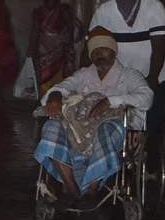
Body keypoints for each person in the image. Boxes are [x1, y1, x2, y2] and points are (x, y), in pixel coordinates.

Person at [33, 29, 153, 209]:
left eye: (104, 49)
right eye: (95, 51)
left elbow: (146, 98)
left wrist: (111, 101)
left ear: (114, 51)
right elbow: (61, 88)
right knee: (51, 126)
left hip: (113, 125)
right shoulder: (83, 74)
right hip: (80, 127)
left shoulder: (129, 75)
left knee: (105, 130)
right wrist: (55, 95)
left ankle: (91, 191)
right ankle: (74, 192)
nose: (99, 54)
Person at [89, 0, 165, 168]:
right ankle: (112, 165)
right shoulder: (105, 12)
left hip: (151, 76)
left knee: (151, 123)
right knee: (111, 121)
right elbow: (92, 46)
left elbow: (158, 47)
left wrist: (151, 78)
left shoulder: (153, 8)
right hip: (118, 78)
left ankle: (150, 165)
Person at [29, 0, 78, 98]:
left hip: (61, 50)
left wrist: (63, 40)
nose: (50, 6)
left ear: (57, 2)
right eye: (48, 3)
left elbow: (70, 29)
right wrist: (31, 51)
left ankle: (59, 97)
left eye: (53, 3)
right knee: (44, 75)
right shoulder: (38, 13)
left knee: (61, 75)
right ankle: (44, 98)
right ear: (44, 2)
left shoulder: (62, 11)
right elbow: (34, 32)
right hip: (44, 51)